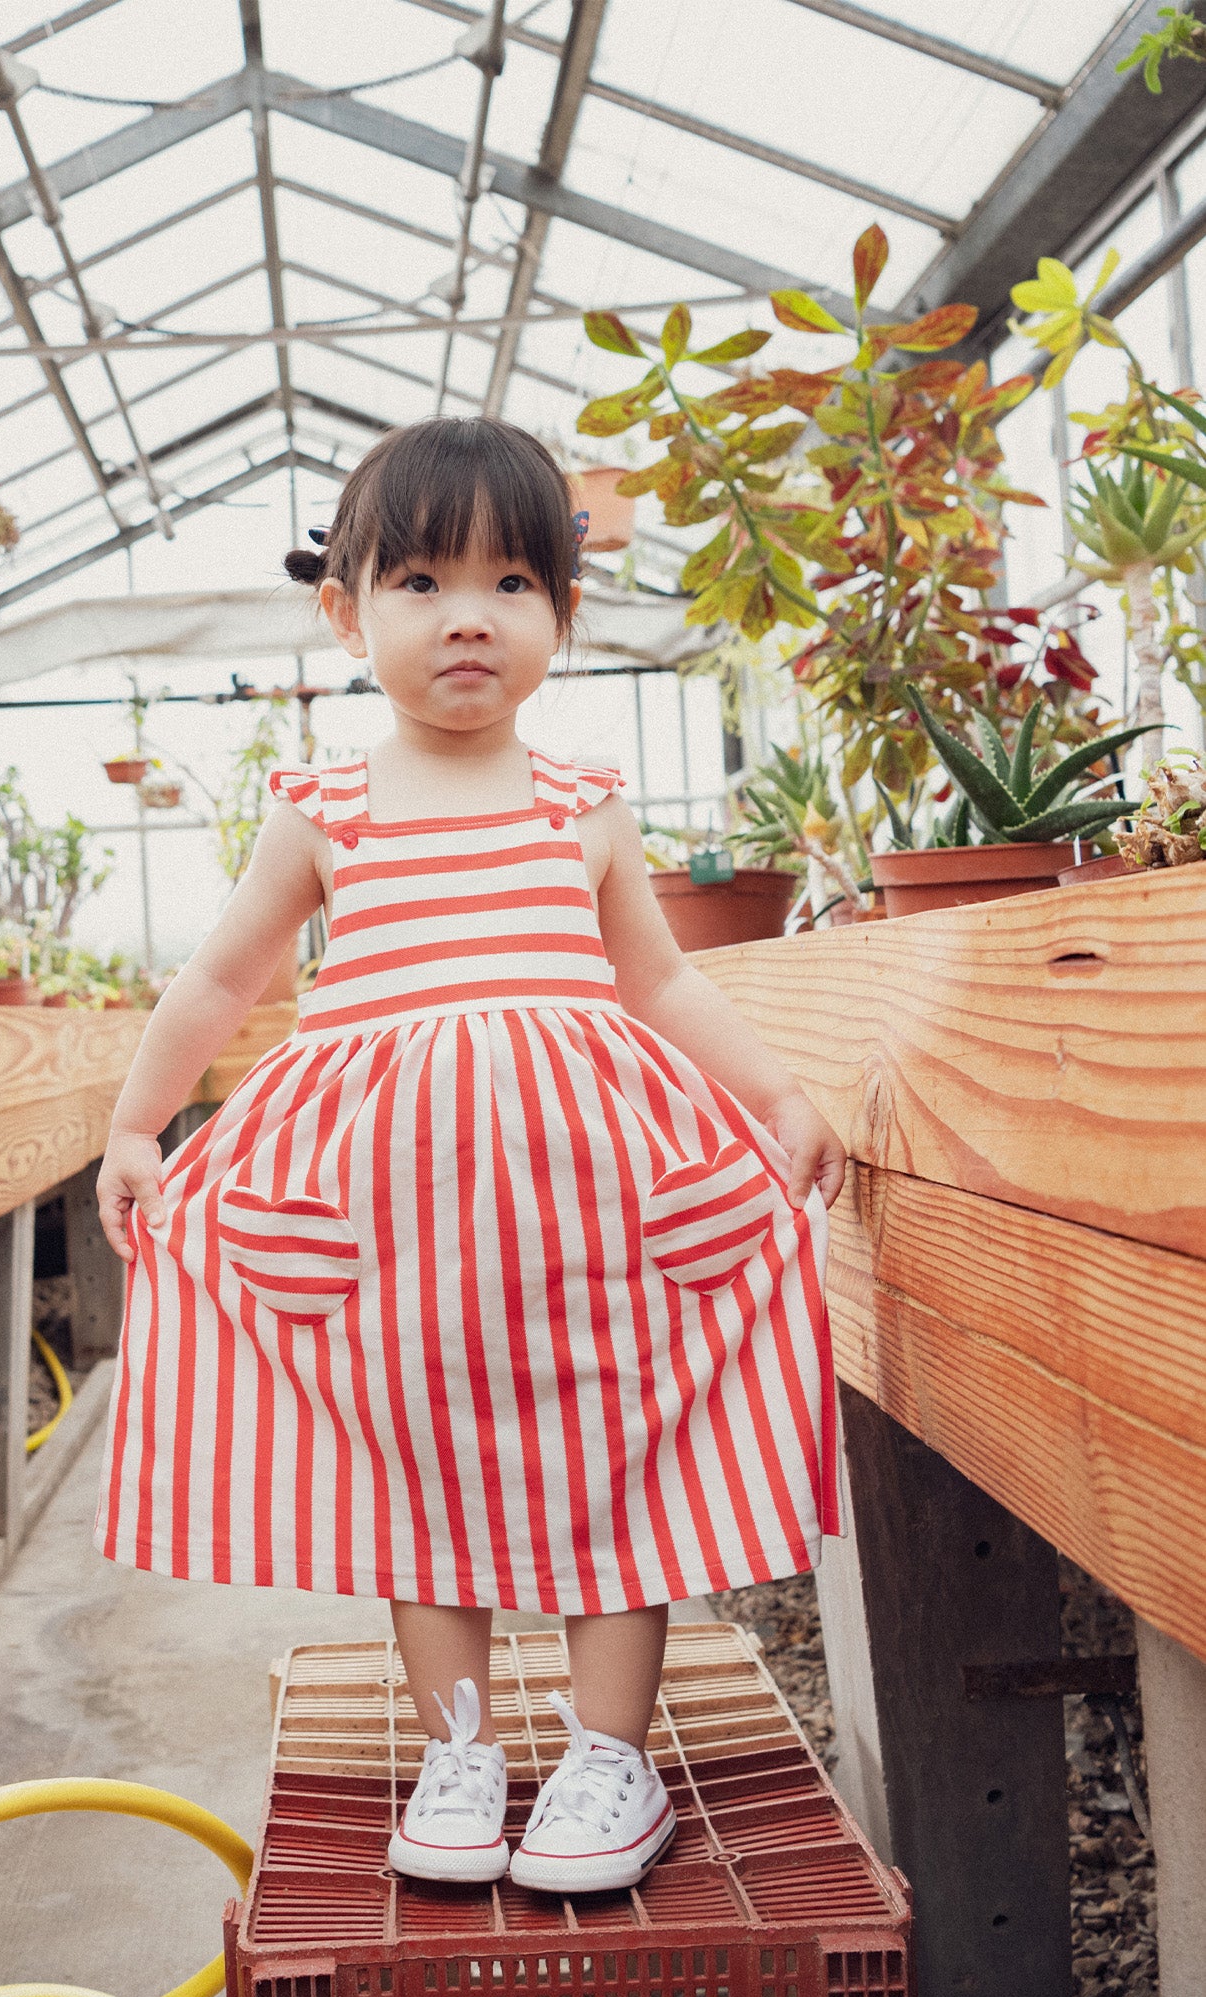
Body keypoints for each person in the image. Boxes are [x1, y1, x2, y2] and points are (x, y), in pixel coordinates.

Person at [93, 416, 846, 1898]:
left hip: (595, 1222)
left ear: (563, 611)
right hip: (392, 1239)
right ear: (346, 609)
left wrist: (777, 1096)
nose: (468, 617)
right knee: (416, 1476)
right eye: (423, 580)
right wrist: (135, 1120)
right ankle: (462, 1752)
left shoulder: (583, 805)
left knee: (620, 1468)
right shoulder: (327, 809)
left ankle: (606, 1760)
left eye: (513, 581)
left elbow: (666, 987)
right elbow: (219, 985)